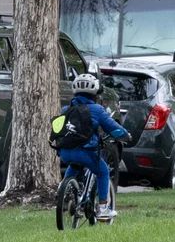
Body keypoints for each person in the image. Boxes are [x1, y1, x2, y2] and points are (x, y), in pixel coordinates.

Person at [51, 74, 129, 222]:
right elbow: (113, 127)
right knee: (103, 171)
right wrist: (125, 135)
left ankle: (65, 190)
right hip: (85, 152)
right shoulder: (97, 109)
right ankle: (102, 208)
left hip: (65, 153)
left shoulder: (66, 109)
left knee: (73, 167)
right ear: (95, 93)